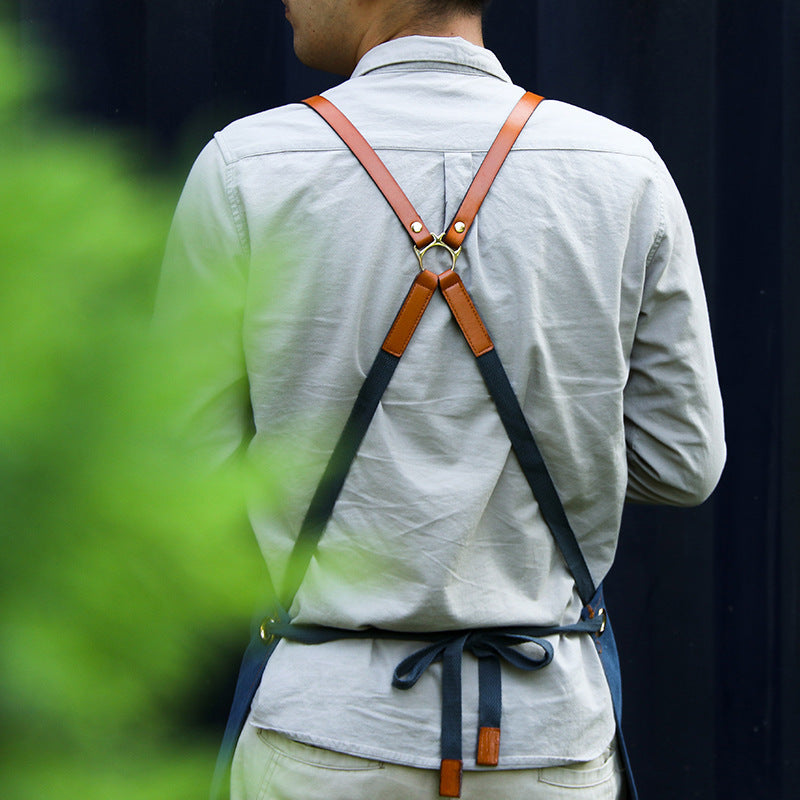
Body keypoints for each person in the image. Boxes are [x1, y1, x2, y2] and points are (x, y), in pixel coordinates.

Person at [156, 1, 726, 798]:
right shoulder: (623, 169)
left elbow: (183, 469)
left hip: (327, 733)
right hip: (547, 739)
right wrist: (556, 445)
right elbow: (683, 463)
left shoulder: (246, 166)